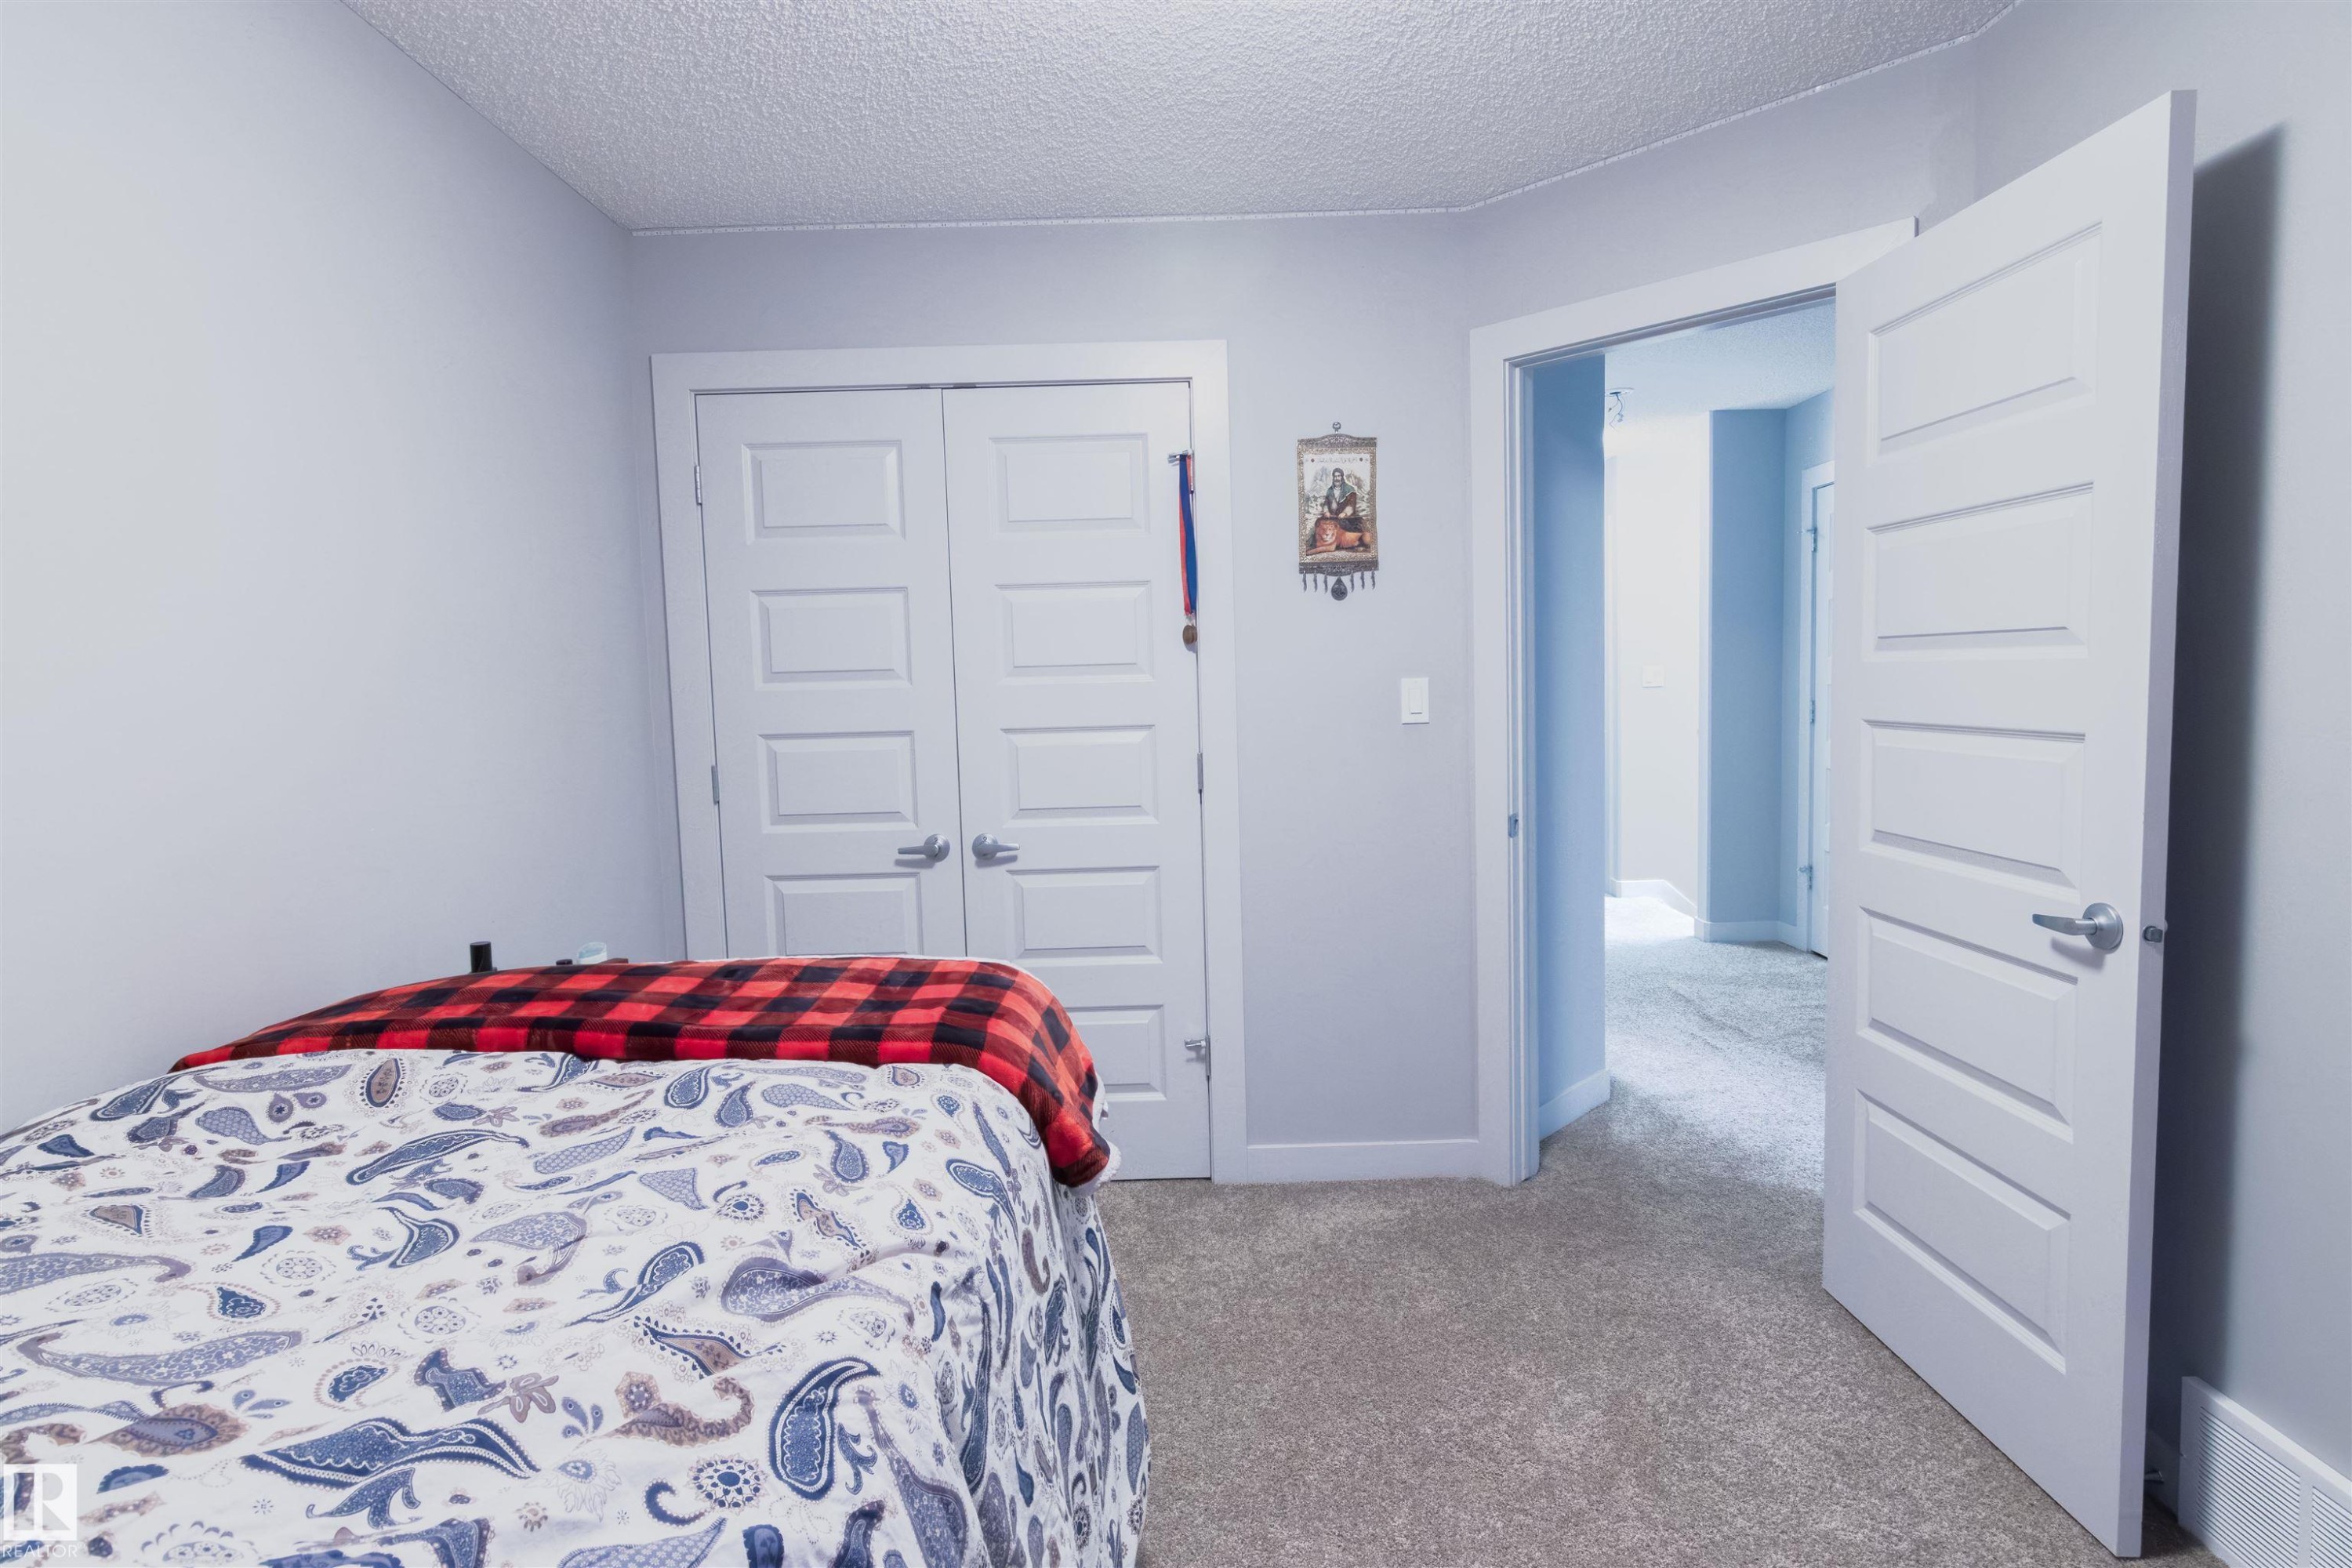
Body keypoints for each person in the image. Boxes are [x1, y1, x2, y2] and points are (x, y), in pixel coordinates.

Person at [1305, 464, 1369, 554]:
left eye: (1339, 476)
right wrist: (1326, 511)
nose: (1337, 478)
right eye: (1335, 476)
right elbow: (1326, 503)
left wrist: (1345, 513)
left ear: (1342, 477)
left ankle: (1342, 545)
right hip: (1332, 517)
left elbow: (1351, 505)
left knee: (1344, 526)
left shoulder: (1350, 490)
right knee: (1319, 523)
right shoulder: (1330, 491)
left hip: (1347, 517)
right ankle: (1315, 544)